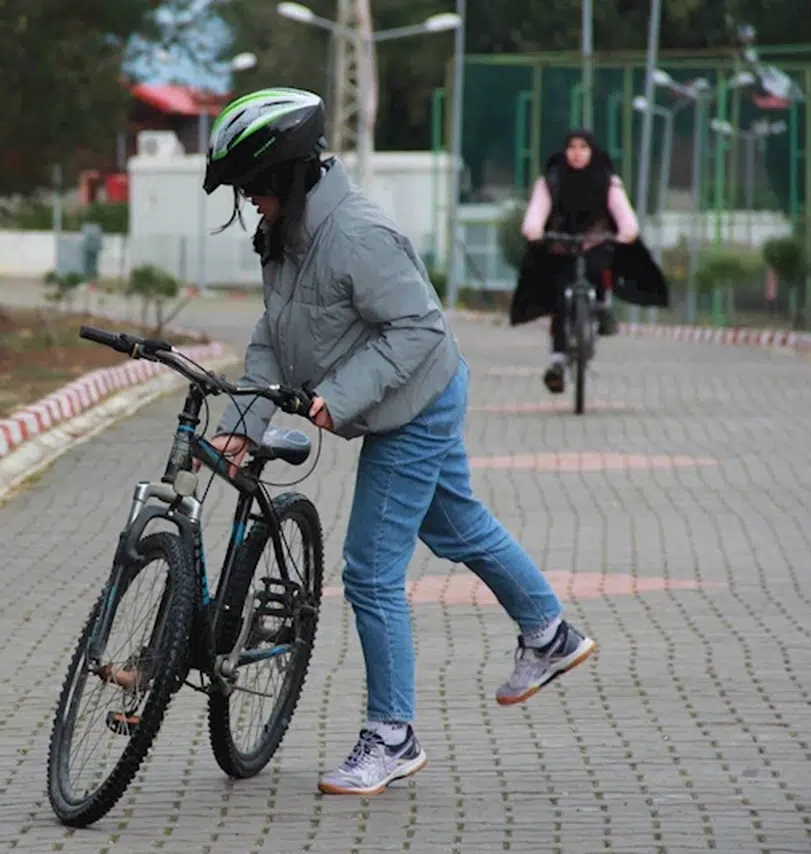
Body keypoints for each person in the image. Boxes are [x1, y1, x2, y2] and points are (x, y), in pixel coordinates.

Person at [202, 88, 597, 796]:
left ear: (287, 177)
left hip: (413, 405)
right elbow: (272, 336)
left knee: (370, 571)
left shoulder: (356, 235)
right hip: (410, 398)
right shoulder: (287, 238)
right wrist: (241, 428)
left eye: (253, 188)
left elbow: (419, 330)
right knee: (456, 526)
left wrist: (339, 397)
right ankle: (549, 634)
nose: (249, 201)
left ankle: (393, 735)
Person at [512, 130, 669, 394]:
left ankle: (603, 305)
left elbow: (623, 213)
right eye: (571, 147)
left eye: (583, 147)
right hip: (561, 246)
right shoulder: (551, 180)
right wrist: (534, 230)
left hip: (596, 243)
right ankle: (558, 362)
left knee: (600, 267)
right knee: (560, 298)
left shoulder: (608, 181)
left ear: (592, 152)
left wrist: (627, 231)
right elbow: (537, 212)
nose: (577, 153)